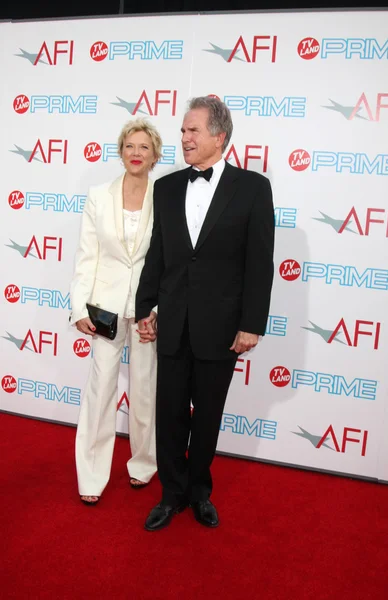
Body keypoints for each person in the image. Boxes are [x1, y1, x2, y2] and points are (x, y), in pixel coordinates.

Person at [135, 96, 275, 530]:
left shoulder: (253, 187)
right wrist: (145, 307)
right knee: (171, 416)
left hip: (221, 327)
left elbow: (260, 262)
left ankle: (199, 492)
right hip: (173, 321)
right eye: (182, 131)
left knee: (209, 416)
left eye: (192, 130)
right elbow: (158, 253)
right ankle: (171, 495)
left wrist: (252, 323)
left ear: (220, 136)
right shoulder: (167, 187)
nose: (184, 138)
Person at [70, 118, 163, 505]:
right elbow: (87, 255)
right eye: (129, 146)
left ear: (155, 154)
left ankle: (143, 464)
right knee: (100, 388)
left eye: (143, 147)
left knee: (144, 390)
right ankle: (91, 476)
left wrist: (156, 308)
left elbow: (167, 259)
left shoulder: (167, 195)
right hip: (104, 308)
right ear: (121, 151)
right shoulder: (98, 195)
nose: (136, 153)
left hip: (145, 309)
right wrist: (79, 306)